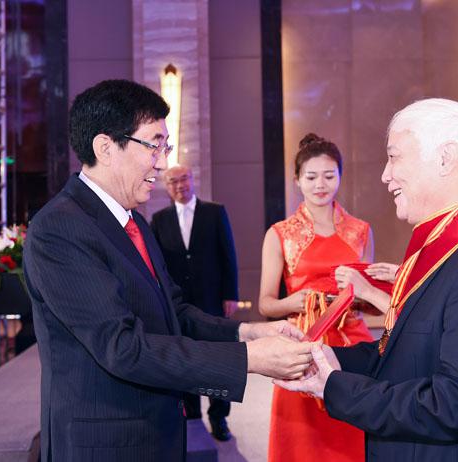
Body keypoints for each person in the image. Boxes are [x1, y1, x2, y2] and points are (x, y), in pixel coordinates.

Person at [23, 79, 314, 461]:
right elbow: (122, 347)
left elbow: (173, 313)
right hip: (106, 446)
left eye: (166, 147)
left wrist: (249, 332)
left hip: (156, 434)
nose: (161, 163)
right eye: (153, 145)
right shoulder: (60, 229)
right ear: (105, 147)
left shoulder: (135, 223)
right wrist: (250, 359)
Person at [276, 98, 458, 461]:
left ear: (445, 158)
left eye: (394, 157)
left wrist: (338, 389)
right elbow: (407, 352)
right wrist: (327, 357)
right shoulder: (455, 240)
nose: (385, 175)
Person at [258, 133, 377, 462]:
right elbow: (266, 303)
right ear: (297, 180)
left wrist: (366, 295)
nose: (320, 185)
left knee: (351, 433)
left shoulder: (360, 230)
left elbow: (367, 298)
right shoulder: (280, 234)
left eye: (329, 176)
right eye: (311, 177)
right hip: (303, 343)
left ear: (340, 176)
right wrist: (297, 301)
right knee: (303, 442)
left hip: (352, 341)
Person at [151, 164, 239, 441]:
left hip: (212, 299)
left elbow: (228, 255)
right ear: (167, 187)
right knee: (186, 358)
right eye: (173, 181)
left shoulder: (215, 212)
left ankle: (219, 417)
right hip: (179, 305)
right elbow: (157, 265)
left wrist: (231, 294)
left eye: (184, 179)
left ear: (192, 180)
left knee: (218, 361)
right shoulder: (159, 219)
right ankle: (192, 415)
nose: (180, 185)